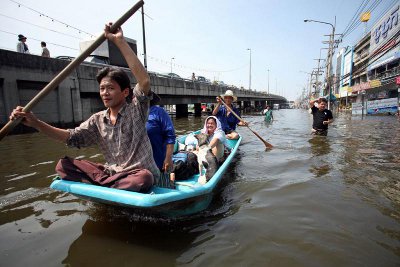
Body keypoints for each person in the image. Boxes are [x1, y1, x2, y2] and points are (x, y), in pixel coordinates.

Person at [10, 23, 159, 193]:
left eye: (110, 88)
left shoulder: (136, 108)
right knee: (63, 165)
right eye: (102, 88)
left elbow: (144, 81)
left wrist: (119, 41)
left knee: (144, 179)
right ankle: (109, 182)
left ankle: (104, 183)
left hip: (137, 175)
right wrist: (36, 123)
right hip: (113, 174)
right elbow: (71, 137)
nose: (105, 93)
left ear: (125, 92)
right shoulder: (97, 120)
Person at [146, 93, 176, 172]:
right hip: (138, 164)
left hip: (158, 162)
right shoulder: (132, 114)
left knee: (163, 182)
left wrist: (168, 158)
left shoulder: (159, 112)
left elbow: (170, 136)